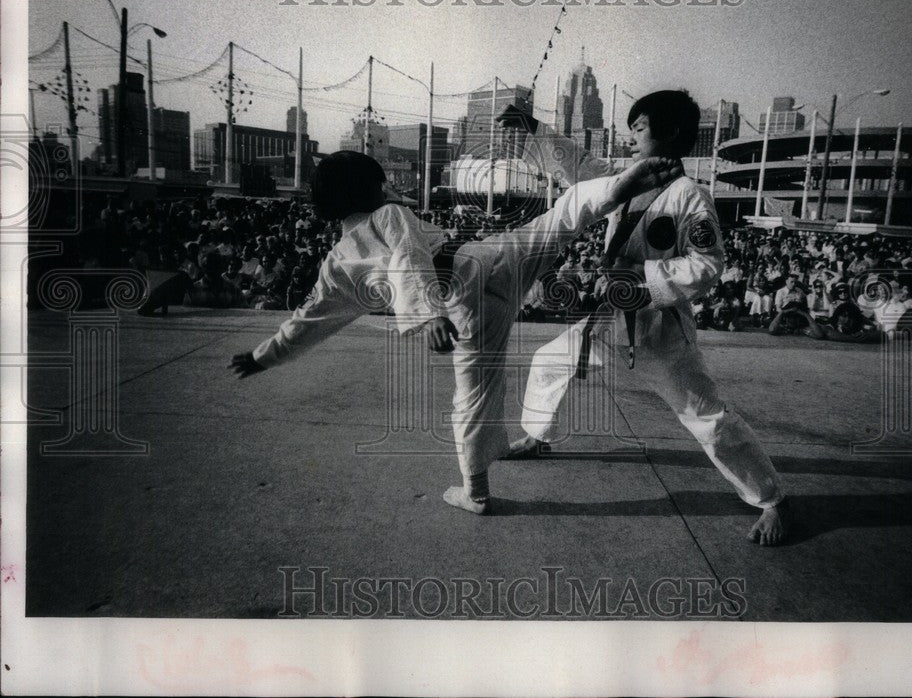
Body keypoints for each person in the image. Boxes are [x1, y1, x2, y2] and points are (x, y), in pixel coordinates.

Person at [229, 149, 682, 515]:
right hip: (486, 259)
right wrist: (427, 311)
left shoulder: (336, 267)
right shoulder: (388, 214)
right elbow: (408, 254)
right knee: (559, 220)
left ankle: (476, 492)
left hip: (459, 301)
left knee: (474, 394)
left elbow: (308, 321)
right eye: (380, 180)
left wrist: (262, 357)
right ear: (371, 188)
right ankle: (614, 191)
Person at [515, 90, 790, 545]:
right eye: (633, 127)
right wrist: (536, 132)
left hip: (660, 328)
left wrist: (639, 276)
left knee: (707, 418)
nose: (633, 135)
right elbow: (579, 166)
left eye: (641, 127)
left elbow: (707, 265)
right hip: (607, 320)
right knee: (548, 361)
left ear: (674, 133)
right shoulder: (625, 177)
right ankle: (537, 435)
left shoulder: (690, 197)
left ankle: (773, 499)